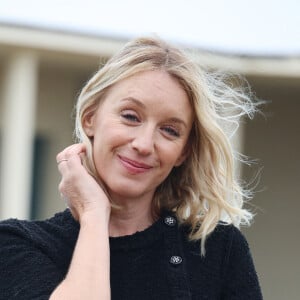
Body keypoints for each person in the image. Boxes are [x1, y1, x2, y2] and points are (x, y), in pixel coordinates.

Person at [0, 36, 263, 299]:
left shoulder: (221, 250)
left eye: (170, 130)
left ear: (184, 151)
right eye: (130, 116)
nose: (144, 144)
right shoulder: (17, 244)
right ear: (90, 118)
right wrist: (93, 212)